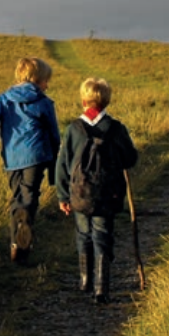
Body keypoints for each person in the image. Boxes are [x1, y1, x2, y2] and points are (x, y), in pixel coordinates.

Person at [55, 77, 138, 304]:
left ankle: (85, 281)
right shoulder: (116, 128)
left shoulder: (74, 129)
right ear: (107, 101)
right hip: (107, 194)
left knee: (83, 234)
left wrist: (63, 195)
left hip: (80, 194)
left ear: (83, 100)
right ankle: (102, 288)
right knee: (102, 235)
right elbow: (130, 159)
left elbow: (63, 165)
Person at [0, 57, 61, 264]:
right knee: (30, 194)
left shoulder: (3, 99)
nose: (47, 85)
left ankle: (16, 241)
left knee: (17, 196)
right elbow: (54, 133)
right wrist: (55, 160)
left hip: (12, 157)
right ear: (36, 79)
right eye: (45, 81)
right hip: (37, 155)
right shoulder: (43, 102)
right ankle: (25, 239)